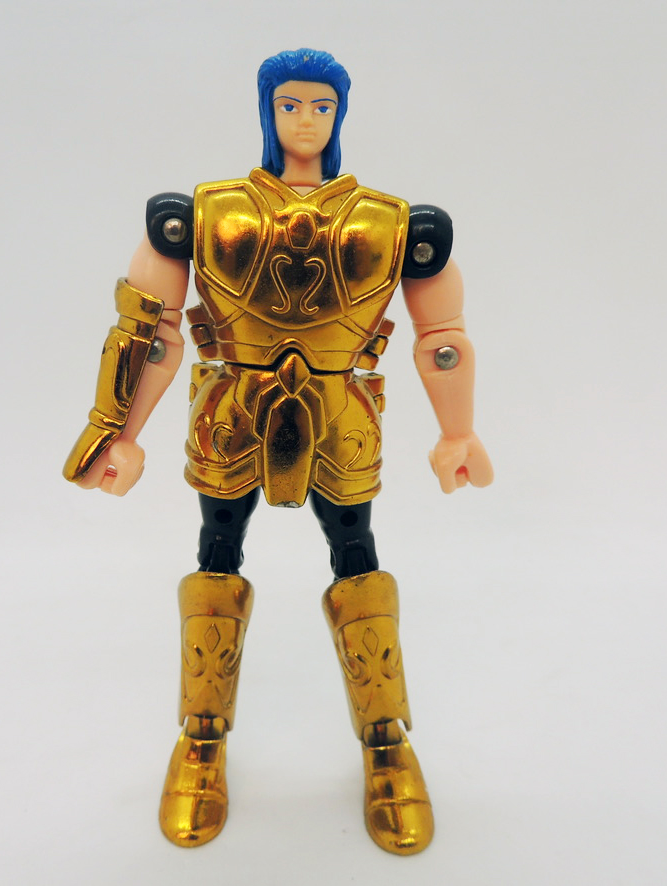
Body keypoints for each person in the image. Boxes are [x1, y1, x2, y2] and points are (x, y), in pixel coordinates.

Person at [64, 48, 493, 856]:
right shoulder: (206, 214)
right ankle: (201, 736)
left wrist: (457, 431)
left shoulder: (393, 224)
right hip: (232, 412)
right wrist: (120, 431)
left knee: (356, 557)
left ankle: (386, 740)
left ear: (340, 115)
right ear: (267, 111)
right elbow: (149, 331)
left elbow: (441, 337)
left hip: (340, 416)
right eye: (290, 104)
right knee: (217, 553)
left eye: (322, 106)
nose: (305, 119)